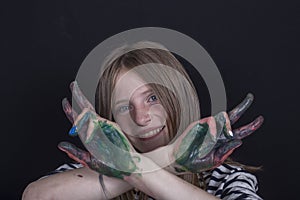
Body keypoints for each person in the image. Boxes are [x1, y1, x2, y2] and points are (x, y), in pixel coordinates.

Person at [22, 41, 264, 200]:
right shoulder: (93, 171)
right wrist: (171, 158)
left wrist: (135, 169)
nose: (141, 118)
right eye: (124, 107)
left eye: (152, 97)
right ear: (111, 118)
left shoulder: (225, 178)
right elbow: (35, 196)